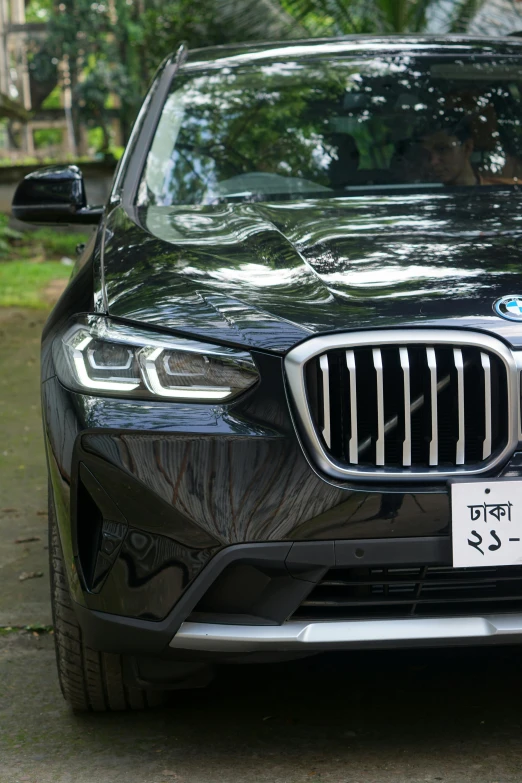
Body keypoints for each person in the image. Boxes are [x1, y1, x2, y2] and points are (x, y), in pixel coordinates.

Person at [419, 118, 516, 186]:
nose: (433, 161)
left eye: (442, 149)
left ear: (467, 148)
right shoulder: (417, 197)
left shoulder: (510, 191)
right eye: (426, 153)